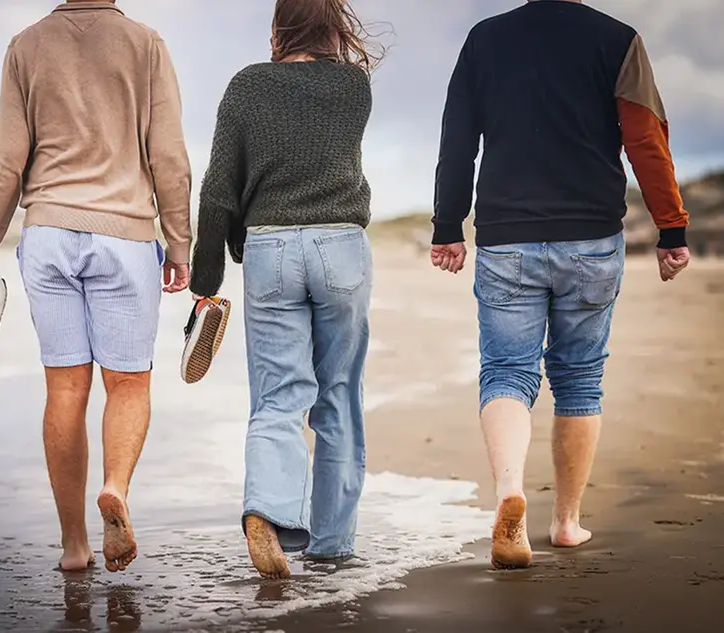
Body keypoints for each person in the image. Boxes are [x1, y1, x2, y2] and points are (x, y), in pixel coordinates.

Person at [431, 0, 690, 569]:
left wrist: (448, 226)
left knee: (507, 372)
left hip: (507, 238)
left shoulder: (485, 38)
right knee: (579, 380)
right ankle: (567, 523)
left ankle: (507, 493)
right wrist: (671, 228)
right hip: (592, 238)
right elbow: (646, 139)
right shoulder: (618, 39)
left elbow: (458, 139)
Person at [0, 0, 192, 573]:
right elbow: (168, 156)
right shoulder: (146, 44)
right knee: (128, 384)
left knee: (65, 388)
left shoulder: (26, 46)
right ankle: (114, 487)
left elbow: (6, 160)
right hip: (124, 237)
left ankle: (73, 545)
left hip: (49, 234)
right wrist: (180, 242)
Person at [189, 0, 383, 579]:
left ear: (278, 28)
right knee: (339, 395)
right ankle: (331, 544)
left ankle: (266, 512)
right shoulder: (355, 87)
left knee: (279, 399)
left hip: (270, 250)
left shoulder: (247, 87)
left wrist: (206, 281)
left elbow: (219, 189)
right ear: (333, 26)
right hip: (341, 248)